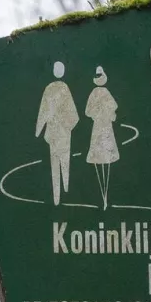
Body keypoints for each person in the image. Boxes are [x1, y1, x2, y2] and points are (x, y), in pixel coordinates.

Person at [35, 61, 78, 204]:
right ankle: (61, 193)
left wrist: (39, 130)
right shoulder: (57, 88)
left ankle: (60, 195)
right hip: (59, 132)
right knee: (62, 161)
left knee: (60, 162)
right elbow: (44, 111)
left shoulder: (59, 89)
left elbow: (44, 112)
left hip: (59, 131)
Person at [85, 65, 119, 210]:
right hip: (104, 126)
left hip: (100, 126)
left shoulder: (95, 93)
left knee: (101, 158)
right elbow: (113, 106)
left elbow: (88, 111)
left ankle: (104, 197)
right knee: (105, 158)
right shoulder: (104, 92)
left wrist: (98, 113)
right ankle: (104, 197)